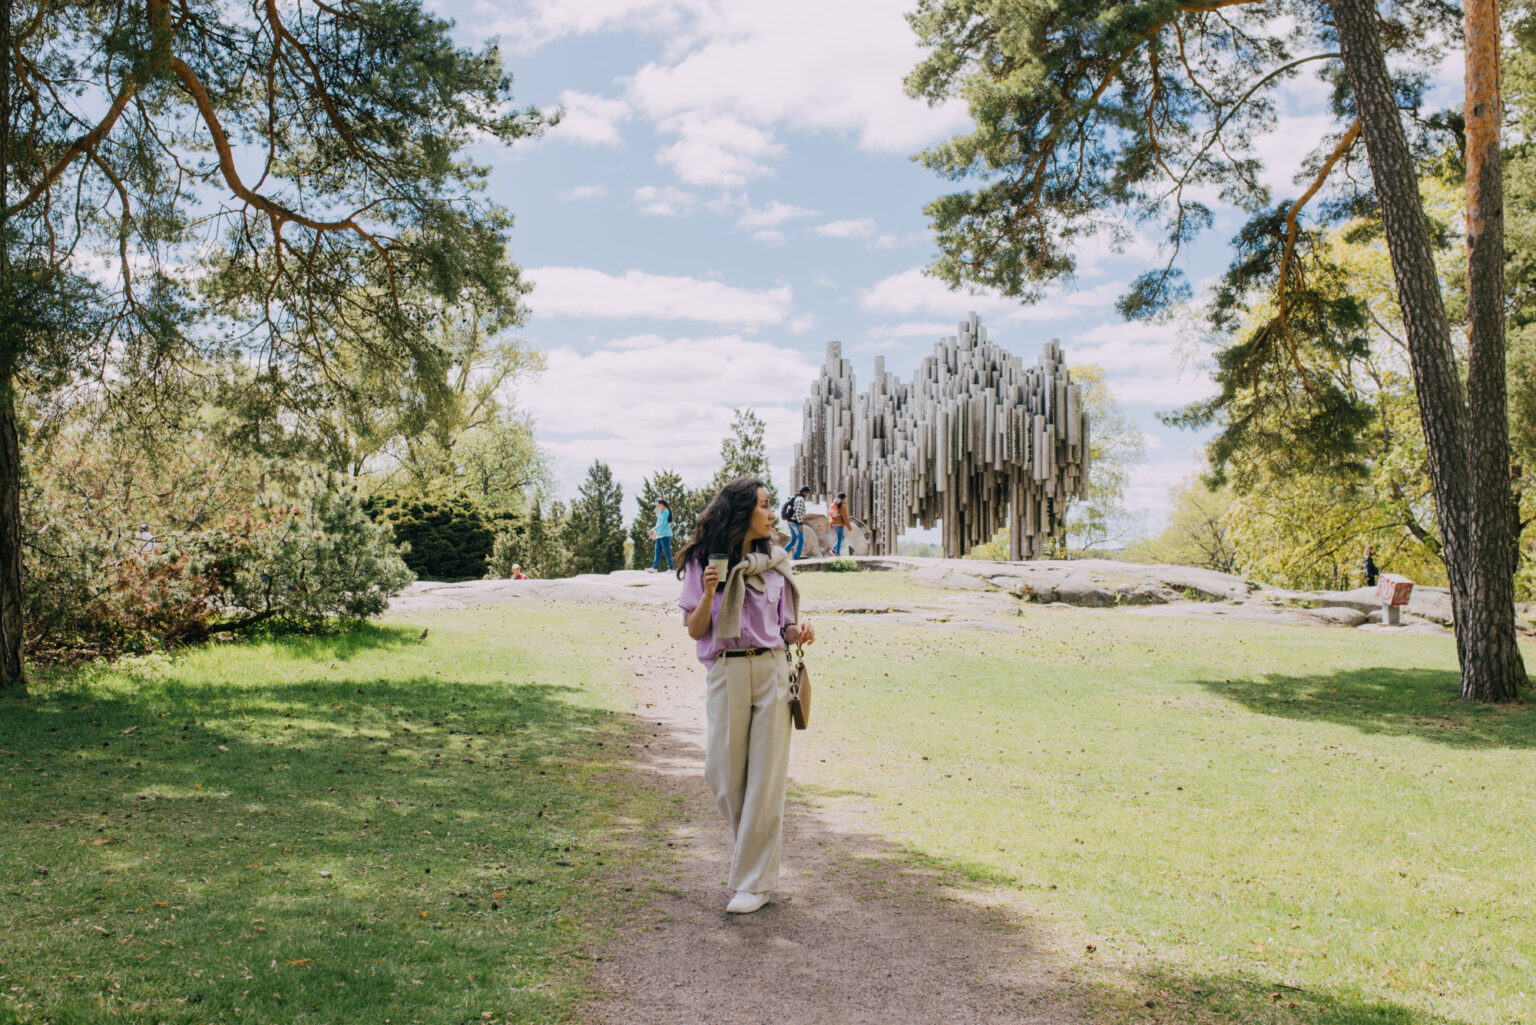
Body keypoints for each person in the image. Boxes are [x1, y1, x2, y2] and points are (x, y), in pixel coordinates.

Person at [676, 477, 816, 914]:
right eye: (763, 506)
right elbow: (696, 630)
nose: (771, 513)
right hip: (726, 670)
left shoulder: (775, 562)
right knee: (722, 774)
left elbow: (783, 626)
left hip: (771, 669)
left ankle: (753, 883)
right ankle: (757, 863)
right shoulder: (704, 562)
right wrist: (712, 592)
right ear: (741, 512)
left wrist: (799, 632)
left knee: (766, 778)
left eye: (770, 505)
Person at [783, 485, 810, 559]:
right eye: (807, 493)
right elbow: (798, 512)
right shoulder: (801, 499)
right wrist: (800, 523)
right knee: (801, 540)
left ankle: (782, 555)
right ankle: (795, 557)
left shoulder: (795, 498)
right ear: (805, 492)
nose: (807, 495)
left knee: (793, 540)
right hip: (795, 523)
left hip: (790, 522)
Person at [648, 499, 674, 572]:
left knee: (667, 551)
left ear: (662, 505)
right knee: (657, 551)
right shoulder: (662, 511)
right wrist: (656, 510)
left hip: (665, 535)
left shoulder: (666, 511)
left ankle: (671, 568)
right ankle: (655, 568)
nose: (658, 506)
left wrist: (653, 530)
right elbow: (658, 519)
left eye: (658, 505)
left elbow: (662, 523)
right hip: (659, 535)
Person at [829, 491, 850, 555]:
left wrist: (831, 524)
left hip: (834, 523)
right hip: (839, 524)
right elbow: (845, 517)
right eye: (845, 498)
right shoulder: (842, 505)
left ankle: (834, 549)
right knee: (839, 538)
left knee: (842, 537)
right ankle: (837, 553)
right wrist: (848, 526)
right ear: (843, 498)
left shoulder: (835, 503)